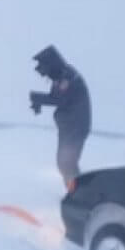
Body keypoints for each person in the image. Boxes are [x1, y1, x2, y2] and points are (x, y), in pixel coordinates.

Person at [29, 45, 92, 190]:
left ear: (52, 64)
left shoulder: (69, 78)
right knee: (64, 163)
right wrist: (38, 102)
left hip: (76, 128)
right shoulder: (62, 76)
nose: (44, 74)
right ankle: (74, 193)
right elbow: (55, 97)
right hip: (68, 128)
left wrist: (37, 98)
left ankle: (78, 194)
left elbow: (60, 100)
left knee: (67, 162)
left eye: (44, 69)